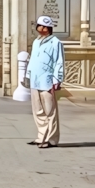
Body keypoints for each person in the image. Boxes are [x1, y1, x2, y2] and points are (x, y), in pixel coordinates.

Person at [27, 15, 64, 148]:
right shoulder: (36, 42)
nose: (39, 28)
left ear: (47, 28)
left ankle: (51, 139)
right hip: (35, 80)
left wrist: (57, 79)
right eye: (39, 25)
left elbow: (59, 62)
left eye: (42, 26)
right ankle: (41, 136)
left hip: (47, 80)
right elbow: (32, 59)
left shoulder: (55, 42)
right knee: (38, 110)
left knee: (50, 111)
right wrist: (28, 74)